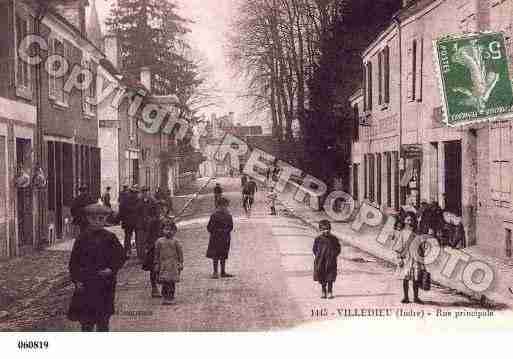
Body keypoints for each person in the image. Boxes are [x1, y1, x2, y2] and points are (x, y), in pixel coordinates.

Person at [67, 202, 126, 331]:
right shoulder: (82, 238)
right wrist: (77, 280)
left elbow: (120, 257)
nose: (97, 222)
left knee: (103, 321)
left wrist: (111, 269)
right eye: (94, 219)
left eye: (101, 219)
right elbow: (74, 262)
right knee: (86, 322)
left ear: (105, 220)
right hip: (86, 283)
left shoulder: (110, 238)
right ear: (88, 219)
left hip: (105, 284)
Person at [394, 211, 426, 304]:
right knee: (406, 278)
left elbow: (421, 249)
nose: (410, 222)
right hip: (406, 258)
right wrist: (399, 259)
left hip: (415, 258)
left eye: (411, 220)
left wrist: (422, 261)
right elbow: (398, 248)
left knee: (416, 279)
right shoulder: (402, 233)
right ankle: (406, 297)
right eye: (408, 220)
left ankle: (416, 297)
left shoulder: (417, 233)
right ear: (404, 221)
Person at [154, 219, 184, 305]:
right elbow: (156, 254)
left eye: (171, 230)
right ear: (162, 230)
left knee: (171, 282)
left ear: (175, 231)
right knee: (164, 282)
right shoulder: (159, 242)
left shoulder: (176, 242)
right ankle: (165, 297)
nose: (169, 232)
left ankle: (171, 297)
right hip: (163, 265)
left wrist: (181, 263)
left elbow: (180, 253)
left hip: (173, 265)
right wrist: (156, 263)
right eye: (166, 229)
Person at [313, 220, 341, 299]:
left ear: (330, 229)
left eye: (328, 229)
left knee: (330, 277)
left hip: (331, 261)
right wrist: (319, 256)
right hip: (321, 261)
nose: (326, 231)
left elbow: (338, 248)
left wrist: (334, 255)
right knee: (322, 276)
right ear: (320, 230)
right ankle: (323, 291)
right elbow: (314, 249)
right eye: (324, 229)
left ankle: (330, 291)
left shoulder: (334, 239)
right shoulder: (318, 239)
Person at [206, 197, 234, 279]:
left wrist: (225, 231)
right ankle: (215, 272)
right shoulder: (214, 216)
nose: (224, 207)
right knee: (215, 255)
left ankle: (222, 271)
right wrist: (217, 232)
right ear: (218, 206)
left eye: (225, 206)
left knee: (223, 255)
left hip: (224, 238)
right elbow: (209, 227)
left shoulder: (228, 216)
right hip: (216, 238)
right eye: (223, 206)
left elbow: (231, 227)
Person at [142, 201, 164, 298]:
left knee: (160, 268)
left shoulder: (161, 221)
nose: (161, 211)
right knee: (153, 269)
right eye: (159, 209)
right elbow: (148, 237)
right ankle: (154, 289)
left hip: (161, 247)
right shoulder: (153, 222)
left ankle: (159, 287)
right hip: (154, 248)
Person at [134, 187, 157, 261]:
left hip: (150, 224)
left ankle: (150, 256)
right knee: (140, 241)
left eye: (146, 192)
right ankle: (141, 257)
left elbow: (156, 211)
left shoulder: (152, 200)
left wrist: (152, 218)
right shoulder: (138, 201)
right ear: (141, 193)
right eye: (143, 192)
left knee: (150, 240)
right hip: (140, 224)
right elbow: (135, 213)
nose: (145, 194)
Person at [120, 186, 139, 258]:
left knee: (128, 237)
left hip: (128, 222)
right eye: (135, 192)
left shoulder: (125, 199)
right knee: (136, 237)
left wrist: (121, 219)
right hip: (135, 221)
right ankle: (137, 251)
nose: (135, 194)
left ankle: (127, 251)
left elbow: (121, 209)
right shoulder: (138, 200)